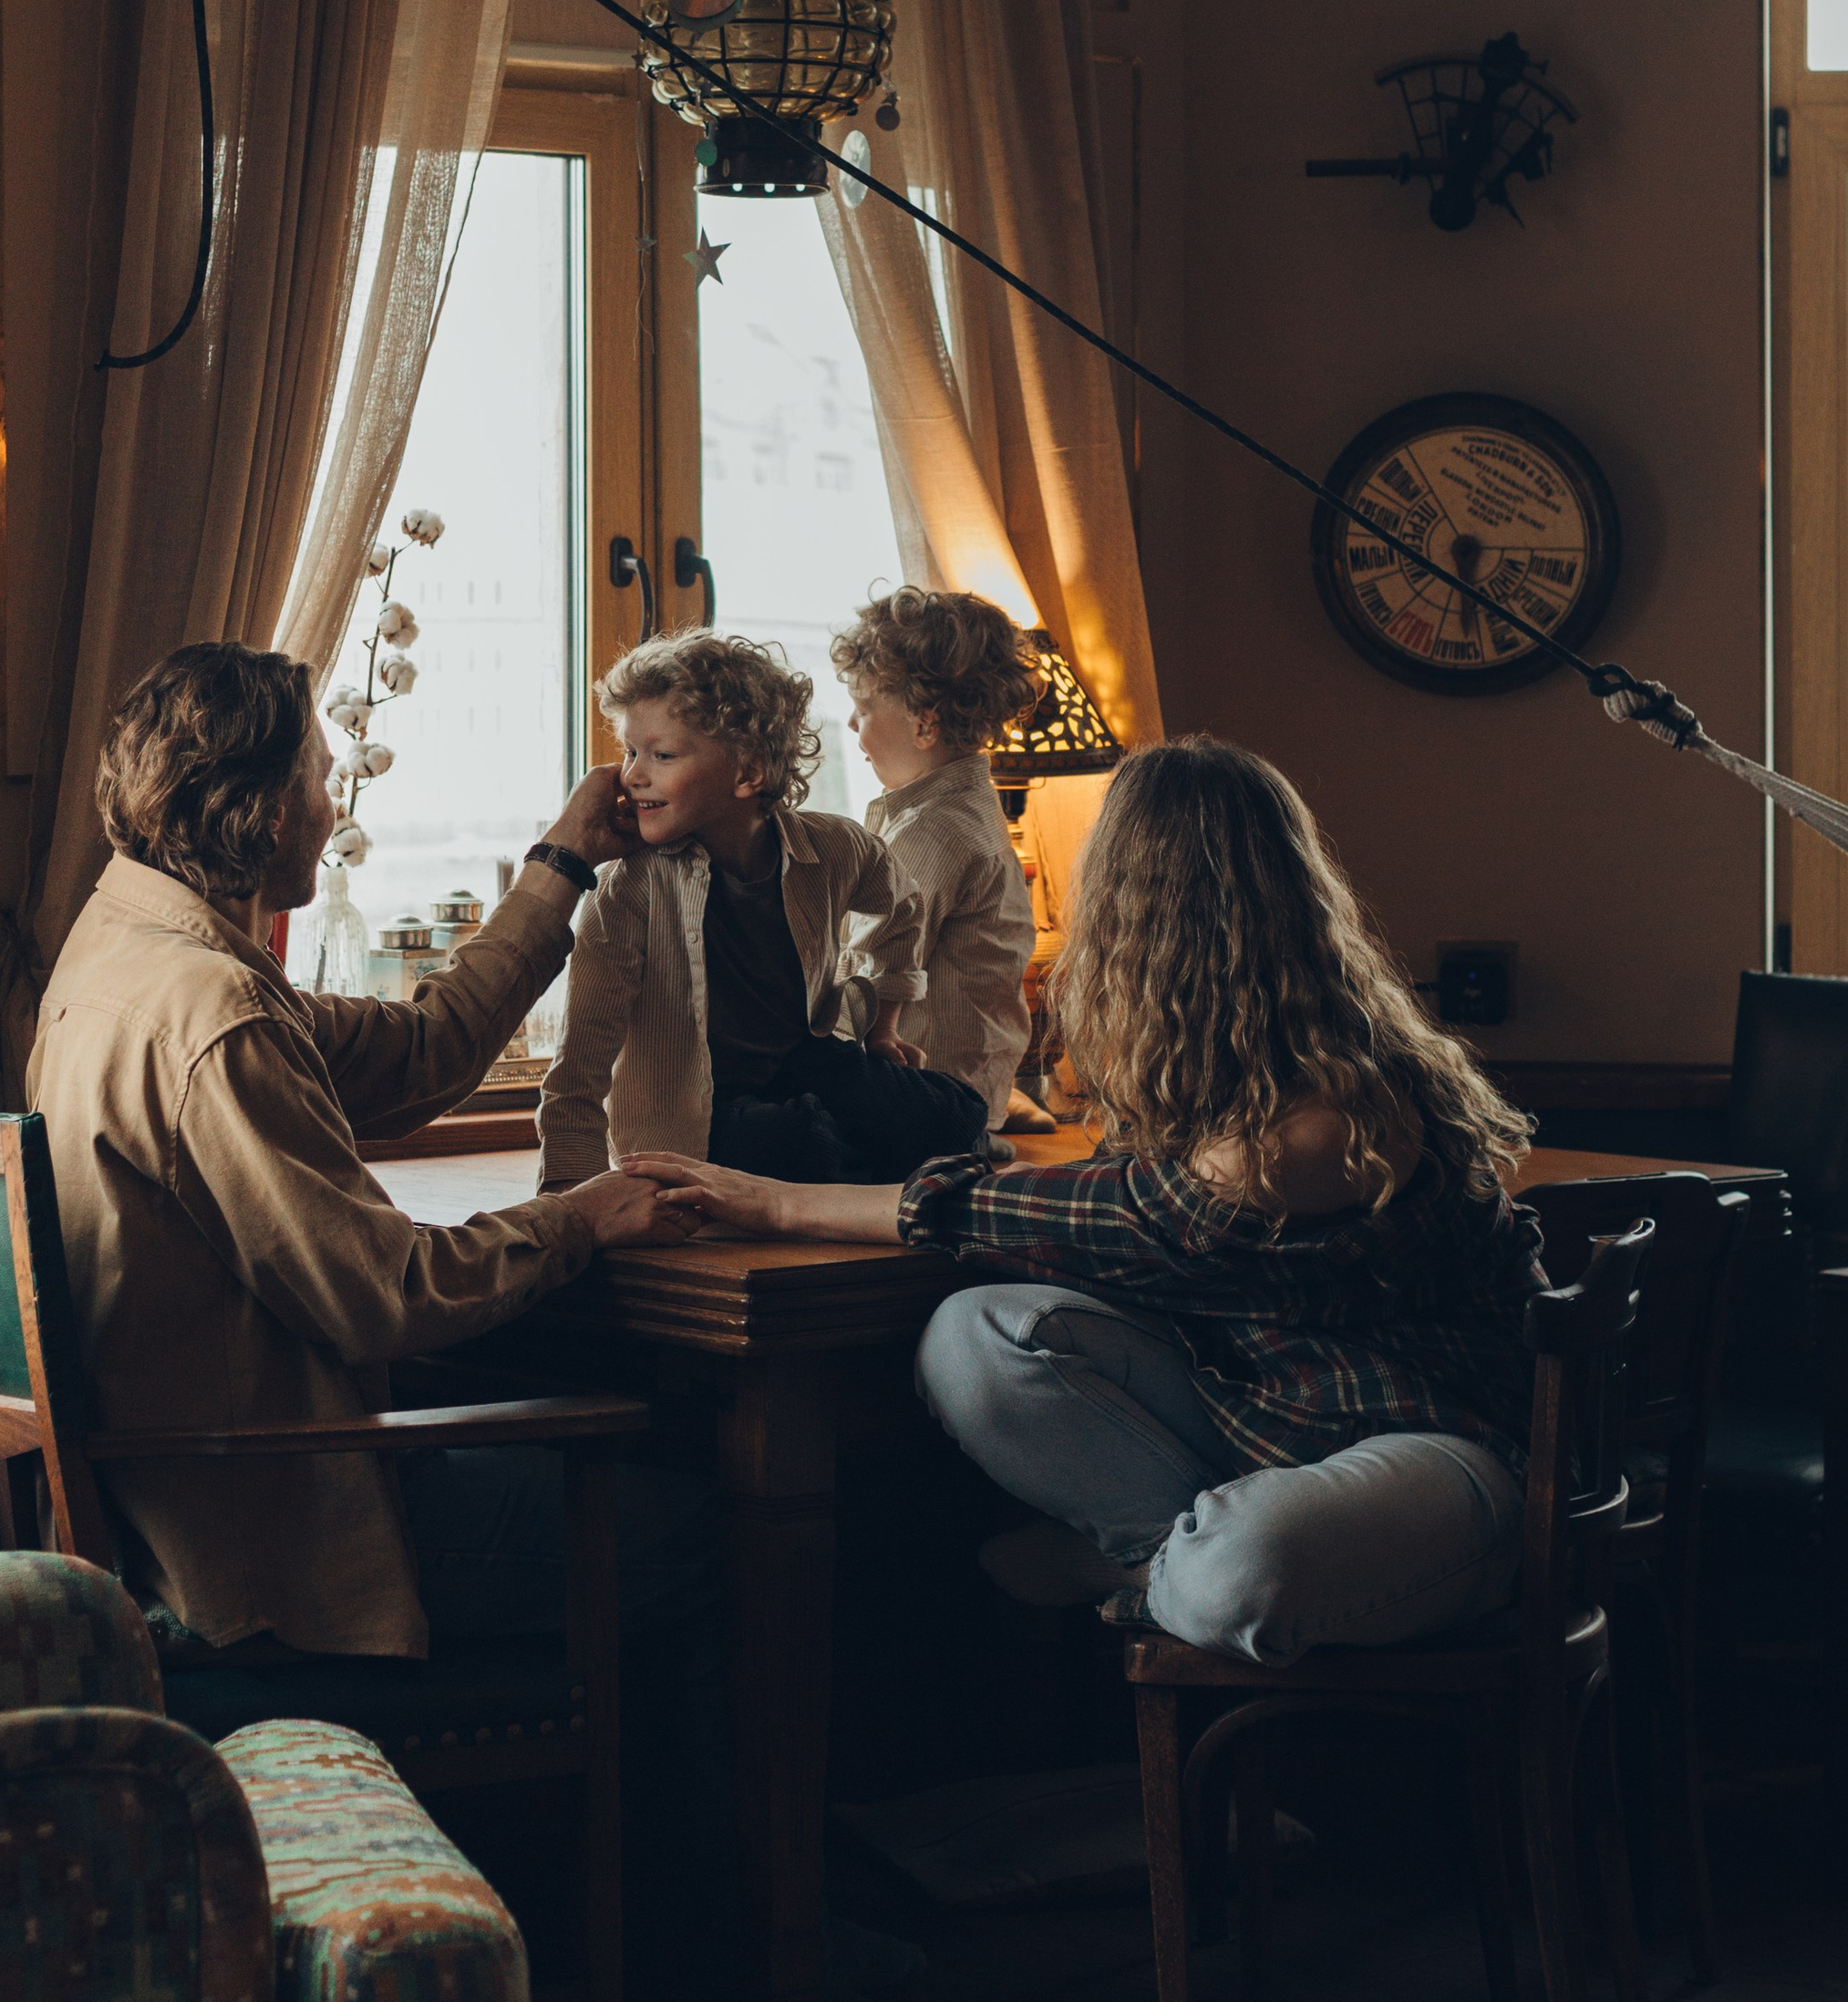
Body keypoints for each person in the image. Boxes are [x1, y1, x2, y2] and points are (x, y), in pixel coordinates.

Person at [622, 736, 1543, 1666]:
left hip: (1438, 1453)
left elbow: (1123, 1213)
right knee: (974, 1333)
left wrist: (783, 1207)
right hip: (1259, 1427)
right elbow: (1102, 1214)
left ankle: (1149, 1572)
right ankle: (1170, 1555)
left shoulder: (1333, 1107)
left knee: (1246, 1569)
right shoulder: (1200, 1079)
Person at [26, 639, 696, 1664]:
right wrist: (581, 1216)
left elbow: (425, 1049)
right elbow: (387, 1295)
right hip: (260, 1538)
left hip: (167, 1497)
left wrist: (560, 860)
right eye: (322, 778)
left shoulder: (125, 943)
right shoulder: (216, 1012)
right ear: (268, 807)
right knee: (694, 1524)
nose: (336, 807)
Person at [537, 629, 991, 1192]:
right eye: (631, 751)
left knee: (957, 1113)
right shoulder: (629, 890)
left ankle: (866, 1166)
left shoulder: (835, 847)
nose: (632, 774)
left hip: (811, 1065)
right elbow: (578, 1067)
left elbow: (900, 909)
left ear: (748, 772)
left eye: (662, 754)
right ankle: (858, 1170)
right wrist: (569, 1200)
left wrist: (882, 1029)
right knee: (800, 1143)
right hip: (702, 1114)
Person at [832, 586, 1041, 1133]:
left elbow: (867, 977)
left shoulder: (933, 834)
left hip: (927, 1100)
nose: (854, 729)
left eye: (864, 709)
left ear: (925, 724)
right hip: (965, 1093)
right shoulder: (964, 810)